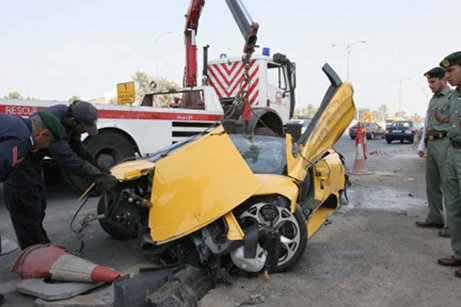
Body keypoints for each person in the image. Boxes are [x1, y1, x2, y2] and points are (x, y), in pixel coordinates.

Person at [3, 101, 118, 250]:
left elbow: (78, 148)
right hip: (23, 163)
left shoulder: (71, 118)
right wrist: (98, 177)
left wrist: (98, 168)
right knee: (27, 206)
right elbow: (67, 158)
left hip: (32, 160)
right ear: (72, 121)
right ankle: (34, 251)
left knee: (39, 203)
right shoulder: (51, 127)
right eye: (84, 128)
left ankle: (41, 243)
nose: (84, 132)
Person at [0, 111, 62, 307]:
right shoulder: (19, 140)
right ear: (41, 135)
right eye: (48, 142)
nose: (48, 147)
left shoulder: (18, 126)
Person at [416, 67, 452, 238]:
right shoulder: (434, 100)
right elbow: (428, 122)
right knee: (432, 184)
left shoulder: (453, 98)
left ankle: (452, 225)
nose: (430, 85)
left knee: (450, 186)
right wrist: (422, 145)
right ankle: (435, 217)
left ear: (443, 80)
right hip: (432, 143)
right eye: (428, 82)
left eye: (432, 82)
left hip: (446, 143)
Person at [436, 51, 461, 277]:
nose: (447, 76)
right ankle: (459, 252)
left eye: (451, 71)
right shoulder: (454, 97)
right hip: (453, 151)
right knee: (453, 205)